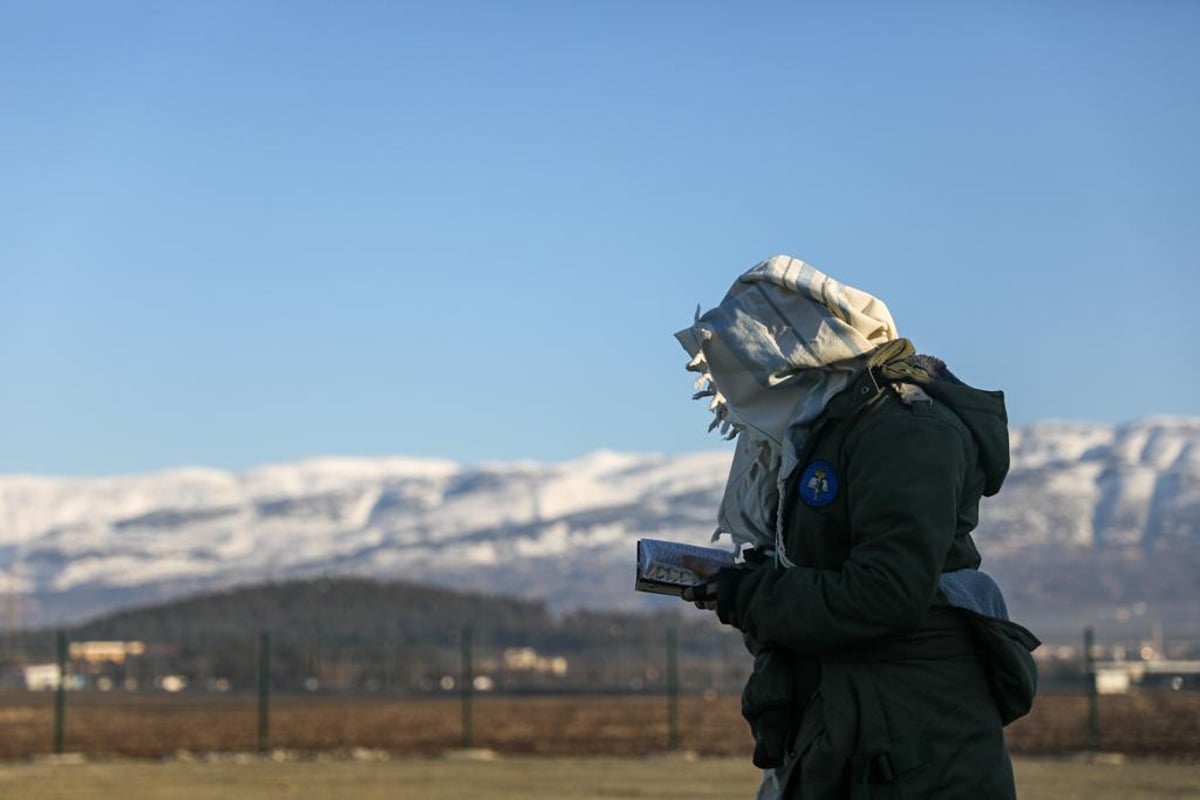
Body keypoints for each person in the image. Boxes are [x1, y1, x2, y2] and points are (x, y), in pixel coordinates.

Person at [675, 255, 1038, 800]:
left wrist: (750, 593)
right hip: (857, 724)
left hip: (914, 743)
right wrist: (744, 580)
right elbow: (838, 563)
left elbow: (887, 592)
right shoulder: (832, 430)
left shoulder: (904, 429)